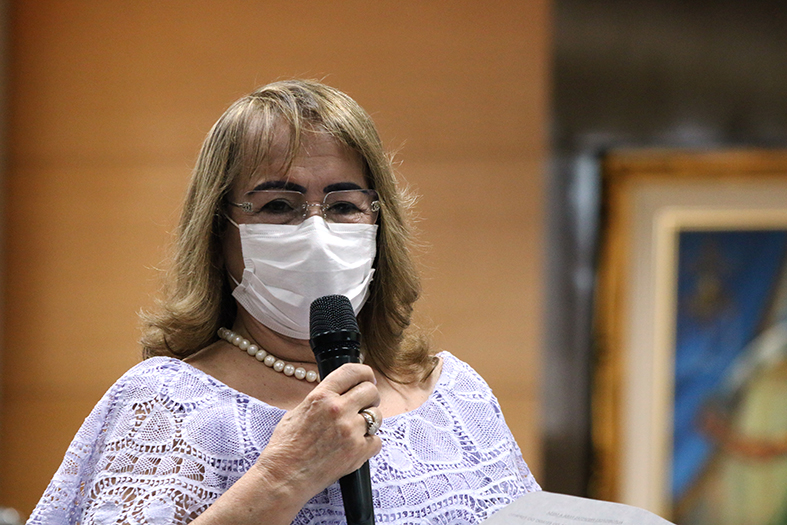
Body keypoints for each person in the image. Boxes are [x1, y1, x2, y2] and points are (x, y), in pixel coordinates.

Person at [28, 79, 540, 525]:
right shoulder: (165, 406)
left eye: (343, 205)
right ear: (218, 231)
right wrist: (282, 477)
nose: (317, 231)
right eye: (279, 205)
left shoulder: (460, 399)